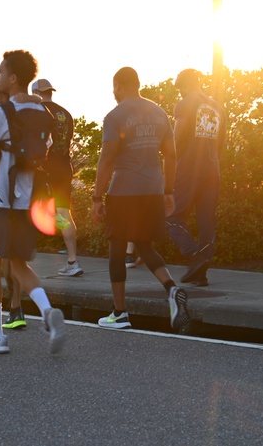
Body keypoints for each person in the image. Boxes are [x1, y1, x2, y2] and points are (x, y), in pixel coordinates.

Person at [0, 50, 66, 354]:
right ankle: (47, 311)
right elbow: (44, 154)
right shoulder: (44, 115)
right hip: (27, 202)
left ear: (12, 78)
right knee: (17, 263)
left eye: (0, 71)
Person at [91, 66, 191, 332]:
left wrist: (97, 197)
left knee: (116, 248)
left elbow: (107, 158)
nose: (113, 92)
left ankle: (119, 313)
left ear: (120, 86)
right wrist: (168, 190)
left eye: (114, 87)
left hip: (124, 191)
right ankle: (171, 289)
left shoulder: (114, 116)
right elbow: (171, 155)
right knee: (144, 245)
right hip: (152, 189)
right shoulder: (159, 113)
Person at [165, 69, 224, 286]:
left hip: (189, 169)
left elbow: (176, 139)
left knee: (171, 216)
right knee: (207, 221)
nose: (179, 92)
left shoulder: (185, 104)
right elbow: (220, 143)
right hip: (212, 168)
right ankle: (201, 273)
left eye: (180, 87)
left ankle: (193, 256)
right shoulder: (218, 107)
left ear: (184, 84)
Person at [32, 78, 83, 278]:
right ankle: (73, 260)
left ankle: (15, 261)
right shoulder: (66, 114)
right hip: (64, 167)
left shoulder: (38, 113)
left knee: (26, 209)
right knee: (64, 212)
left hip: (44, 169)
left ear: (35, 91)